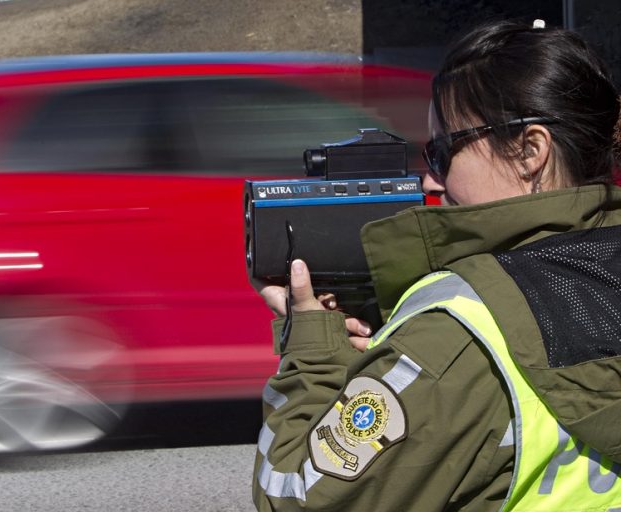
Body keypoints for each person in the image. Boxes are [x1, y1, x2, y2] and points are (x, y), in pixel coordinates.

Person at [252, 19, 621, 511]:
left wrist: (313, 351)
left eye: (445, 149)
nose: (430, 177)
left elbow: (297, 497)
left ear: (530, 151)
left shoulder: (458, 333)